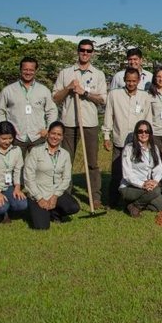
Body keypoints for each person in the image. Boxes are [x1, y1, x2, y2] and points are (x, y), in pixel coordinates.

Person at [52, 39, 108, 209]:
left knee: (92, 162)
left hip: (89, 124)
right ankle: (64, 194)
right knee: (65, 161)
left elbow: (103, 99)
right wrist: (68, 88)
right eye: (82, 50)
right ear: (78, 51)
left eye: (88, 50)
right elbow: (55, 98)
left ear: (92, 53)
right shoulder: (66, 73)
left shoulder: (98, 74)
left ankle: (95, 197)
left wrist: (85, 92)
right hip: (69, 123)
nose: (85, 53)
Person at [103, 67, 152, 207]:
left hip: (138, 142)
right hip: (120, 140)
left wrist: (147, 139)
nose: (131, 84)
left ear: (139, 81)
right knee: (118, 172)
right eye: (128, 81)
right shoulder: (114, 95)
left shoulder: (145, 96)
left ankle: (134, 200)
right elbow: (108, 116)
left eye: (134, 81)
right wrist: (106, 136)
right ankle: (113, 201)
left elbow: (147, 119)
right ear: (124, 80)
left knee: (138, 172)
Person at [0, 56, 58, 157]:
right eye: (25, 69)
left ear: (36, 71)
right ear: (20, 70)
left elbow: (52, 111)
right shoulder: (8, 90)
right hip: (16, 138)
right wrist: (6, 130)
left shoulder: (44, 90)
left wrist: (48, 129)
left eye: (31, 70)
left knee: (38, 168)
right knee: (15, 169)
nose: (28, 72)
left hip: (38, 137)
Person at [24, 121, 81, 229]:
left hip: (55, 192)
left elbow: (66, 178)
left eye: (59, 135)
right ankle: (37, 211)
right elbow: (28, 178)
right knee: (42, 227)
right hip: (38, 193)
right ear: (48, 133)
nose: (55, 137)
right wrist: (39, 198)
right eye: (53, 133)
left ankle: (54, 213)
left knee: (73, 207)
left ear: (63, 137)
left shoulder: (65, 154)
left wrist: (55, 196)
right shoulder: (36, 151)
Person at [120, 120, 162, 217]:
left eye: (147, 131)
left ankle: (132, 204)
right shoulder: (129, 149)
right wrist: (142, 184)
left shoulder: (154, 148)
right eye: (140, 131)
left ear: (150, 133)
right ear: (136, 133)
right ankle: (135, 206)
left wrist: (155, 181)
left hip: (148, 186)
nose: (143, 134)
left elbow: (158, 167)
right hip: (130, 187)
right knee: (156, 191)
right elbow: (127, 174)